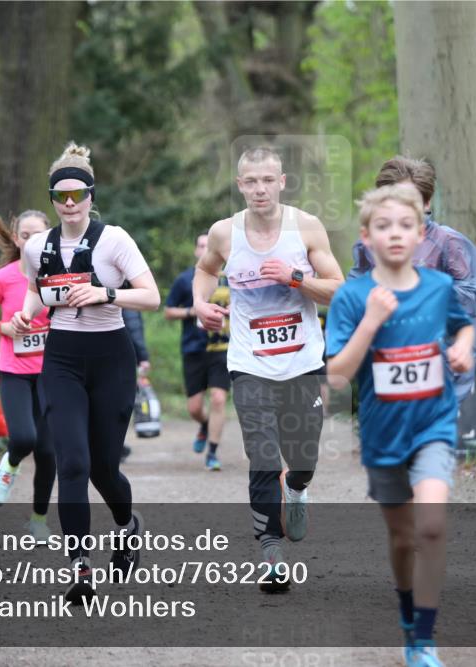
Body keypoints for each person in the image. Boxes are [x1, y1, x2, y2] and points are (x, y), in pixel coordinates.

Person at [326, 184, 474, 667]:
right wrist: (370, 322)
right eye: (383, 226)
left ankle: (423, 641)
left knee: (430, 527)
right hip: (383, 434)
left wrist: (463, 347)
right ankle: (408, 613)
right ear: (366, 237)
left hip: (433, 423)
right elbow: (336, 374)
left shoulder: (438, 286)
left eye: (405, 226)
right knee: (403, 537)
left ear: (420, 233)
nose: (395, 234)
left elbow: (463, 323)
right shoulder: (353, 297)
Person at [10, 142, 160, 603]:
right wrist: (24, 314)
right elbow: (37, 293)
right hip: (62, 359)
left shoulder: (114, 239)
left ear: (92, 195)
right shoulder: (38, 247)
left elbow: (151, 297)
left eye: (78, 195)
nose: (70, 204)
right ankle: (81, 568)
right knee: (71, 462)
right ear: (53, 198)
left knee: (103, 468)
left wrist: (106, 294)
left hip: (111, 358)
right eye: (61, 196)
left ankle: (126, 526)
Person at [193, 146, 343, 592]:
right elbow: (205, 270)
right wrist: (201, 303)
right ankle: (271, 553)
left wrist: (295, 279)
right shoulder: (224, 233)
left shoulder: (306, 228)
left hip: (302, 363)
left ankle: (297, 488)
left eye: (267, 180)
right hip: (248, 363)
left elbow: (339, 291)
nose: (259, 189)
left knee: (303, 458)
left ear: (282, 182)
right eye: (250, 181)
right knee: (262, 457)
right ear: (240, 186)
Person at [348, 157, 476, 404]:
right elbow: (353, 293)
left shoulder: (448, 242)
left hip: (440, 369)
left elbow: (475, 295)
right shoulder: (368, 245)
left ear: (426, 203)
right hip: (387, 366)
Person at [0, 211, 56, 542]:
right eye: (25, 234)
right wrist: (2, 326)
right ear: (16, 239)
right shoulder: (4, 278)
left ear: (49, 238)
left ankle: (38, 521)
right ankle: (8, 466)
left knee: (49, 452)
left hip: (52, 375)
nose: (30, 240)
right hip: (14, 372)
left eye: (37, 234)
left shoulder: (59, 277)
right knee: (24, 438)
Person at [164, 233, 230, 471]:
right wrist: (194, 311)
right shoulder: (185, 280)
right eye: (201, 245)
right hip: (193, 348)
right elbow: (168, 311)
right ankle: (204, 424)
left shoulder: (229, 279)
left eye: (209, 246)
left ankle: (212, 452)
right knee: (193, 408)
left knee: (219, 398)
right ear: (195, 250)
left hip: (222, 348)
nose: (205, 249)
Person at [120, 307, 151, 463]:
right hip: (122, 354)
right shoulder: (127, 294)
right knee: (117, 405)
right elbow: (133, 326)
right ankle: (115, 447)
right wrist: (143, 357)